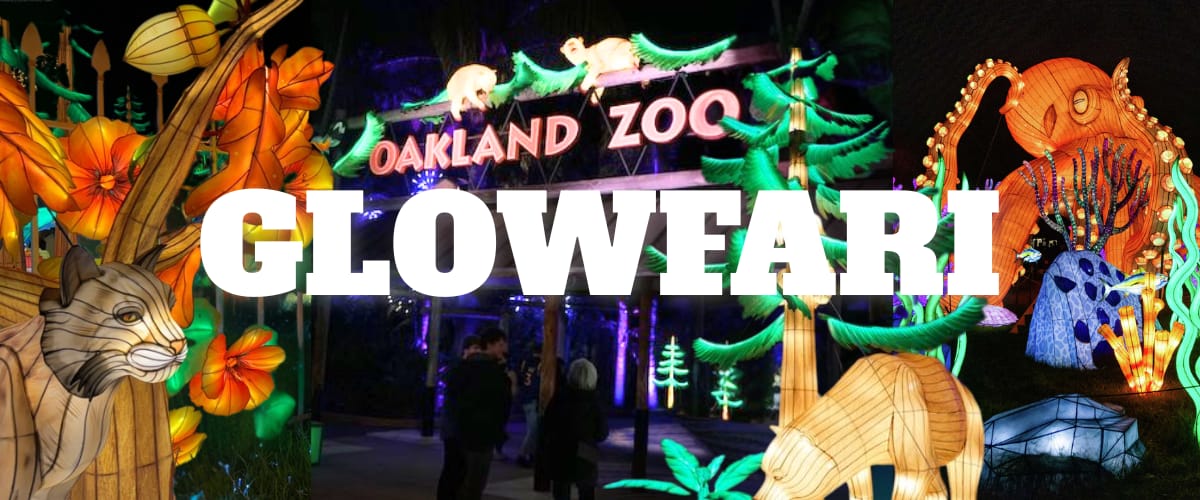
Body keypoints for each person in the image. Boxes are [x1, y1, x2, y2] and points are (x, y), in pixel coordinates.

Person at [455, 327, 511, 499]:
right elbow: (503, 401)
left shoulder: (467, 366)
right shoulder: (493, 371)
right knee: (476, 479)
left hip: (467, 430)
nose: (504, 349)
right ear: (489, 345)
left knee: (467, 478)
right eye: (500, 344)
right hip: (483, 431)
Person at [540, 359, 609, 500]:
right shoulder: (595, 402)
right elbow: (602, 434)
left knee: (561, 489)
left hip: (560, 450)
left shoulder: (559, 397)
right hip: (587, 451)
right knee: (586, 490)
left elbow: (547, 424)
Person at [437, 335, 481, 500]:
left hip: (460, 426)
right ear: (466, 350)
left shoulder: (467, 368)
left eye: (479, 349)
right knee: (453, 466)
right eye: (474, 348)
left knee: (459, 467)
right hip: (454, 426)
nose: (477, 352)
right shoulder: (458, 367)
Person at [516, 344, 542, 467]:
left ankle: (532, 454)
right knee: (533, 429)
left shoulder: (525, 362)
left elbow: (521, 379)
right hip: (533, 398)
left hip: (525, 397)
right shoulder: (540, 364)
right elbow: (537, 383)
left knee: (532, 428)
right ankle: (523, 454)